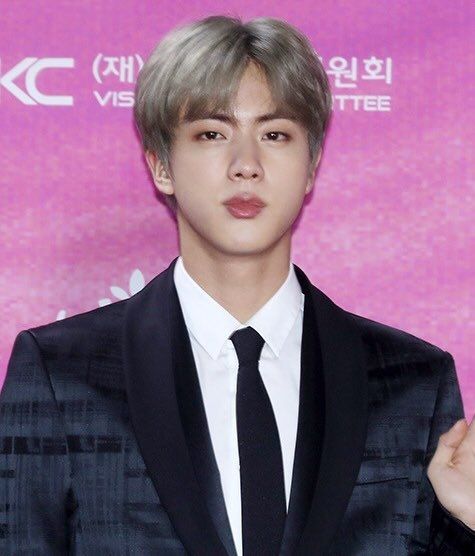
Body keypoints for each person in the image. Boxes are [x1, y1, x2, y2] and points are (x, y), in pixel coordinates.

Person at [0, 14, 474, 556]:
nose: (246, 165)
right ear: (161, 166)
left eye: (275, 135)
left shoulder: (413, 382)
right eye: (212, 134)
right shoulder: (62, 374)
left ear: (311, 165)